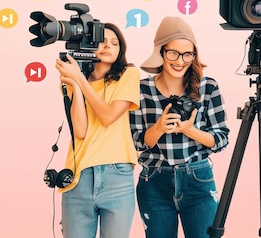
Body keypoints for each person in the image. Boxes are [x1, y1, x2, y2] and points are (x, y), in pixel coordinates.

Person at [130, 16, 230, 238]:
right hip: (153, 180)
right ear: (161, 52)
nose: (180, 60)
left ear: (194, 55)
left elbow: (221, 139)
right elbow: (135, 140)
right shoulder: (141, 89)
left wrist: (189, 130)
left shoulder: (208, 86)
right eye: (173, 53)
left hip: (198, 178)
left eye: (187, 54)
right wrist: (158, 128)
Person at [54, 23, 140, 238]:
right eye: (102, 41)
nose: (108, 46)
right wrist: (77, 82)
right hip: (78, 176)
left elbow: (108, 116)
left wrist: (80, 81)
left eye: (114, 43)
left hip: (117, 176)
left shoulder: (129, 75)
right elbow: (80, 131)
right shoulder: (74, 80)